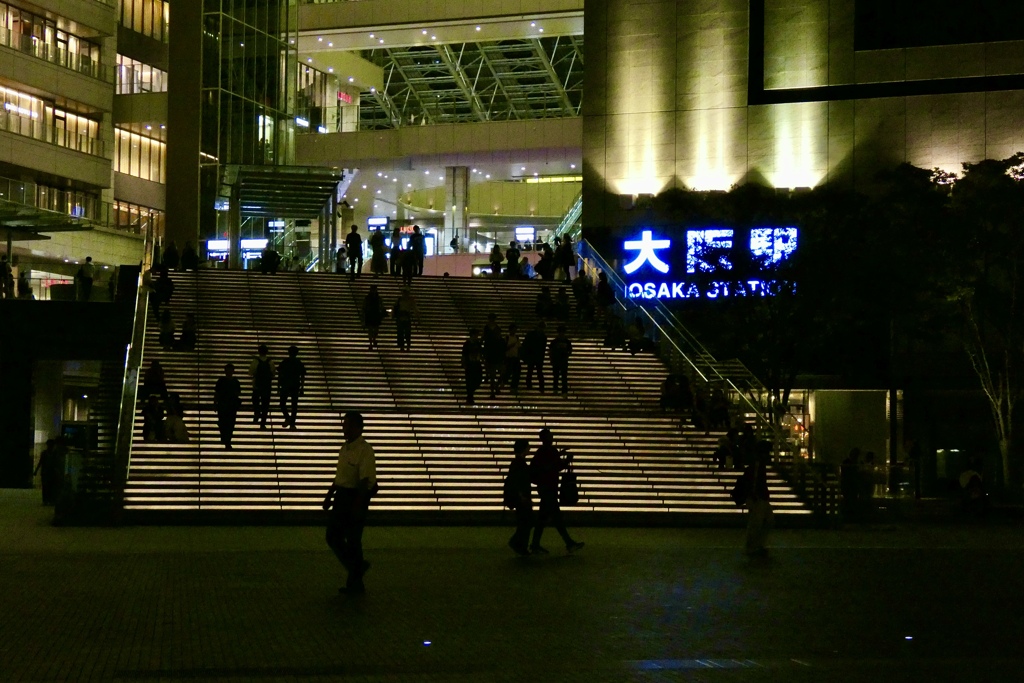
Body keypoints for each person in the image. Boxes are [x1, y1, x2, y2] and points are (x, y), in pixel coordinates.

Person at [323, 411, 377, 595]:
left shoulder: (365, 450)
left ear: (357, 427)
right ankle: (357, 570)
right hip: (342, 496)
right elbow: (340, 477)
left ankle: (355, 581)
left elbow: (365, 480)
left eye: (347, 425)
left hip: (355, 497)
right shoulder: (344, 449)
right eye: (343, 424)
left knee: (352, 540)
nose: (343, 428)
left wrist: (357, 504)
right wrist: (330, 495)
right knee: (335, 536)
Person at [529, 428, 584, 554]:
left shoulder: (541, 451)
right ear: (546, 438)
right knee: (556, 518)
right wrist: (567, 460)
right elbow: (556, 466)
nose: (552, 438)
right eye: (550, 436)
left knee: (543, 518)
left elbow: (548, 465)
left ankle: (535, 544)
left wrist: (558, 456)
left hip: (544, 488)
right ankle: (569, 543)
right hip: (549, 488)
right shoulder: (550, 451)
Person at [743, 441, 773, 557]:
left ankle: (755, 545)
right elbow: (755, 480)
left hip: (759, 496)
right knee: (759, 522)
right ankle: (753, 546)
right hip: (758, 496)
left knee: (762, 521)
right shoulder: (758, 464)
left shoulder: (758, 463)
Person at [505, 438, 533, 556]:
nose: (529, 448)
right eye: (527, 446)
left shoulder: (517, 462)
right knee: (526, 521)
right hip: (522, 497)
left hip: (520, 497)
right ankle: (519, 544)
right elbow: (518, 481)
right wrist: (521, 495)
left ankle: (519, 544)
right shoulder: (519, 463)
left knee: (524, 521)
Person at [277, 345, 306, 430]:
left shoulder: (285, 361)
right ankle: (292, 423)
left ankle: (288, 418)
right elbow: (302, 376)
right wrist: (302, 387)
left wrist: (278, 386)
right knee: (294, 405)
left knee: (282, 404)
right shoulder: (299, 362)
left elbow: (280, 374)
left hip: (285, 385)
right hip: (295, 385)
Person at [214, 363, 242, 449]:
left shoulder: (226, 381)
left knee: (229, 424)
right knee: (225, 423)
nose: (229, 372)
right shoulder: (230, 381)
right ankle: (226, 439)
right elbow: (217, 393)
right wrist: (215, 403)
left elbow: (217, 393)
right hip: (225, 405)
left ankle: (227, 440)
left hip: (229, 405)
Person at [249, 344, 275, 428]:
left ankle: (257, 413)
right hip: (267, 386)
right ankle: (263, 423)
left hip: (257, 385)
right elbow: (273, 373)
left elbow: (250, 372)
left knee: (255, 400)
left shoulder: (255, 361)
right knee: (265, 405)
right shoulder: (270, 361)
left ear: (259, 351)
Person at [483, 313, 505, 398]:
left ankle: (495, 388)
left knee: (498, 374)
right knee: (493, 375)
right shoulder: (488, 328)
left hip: (495, 355)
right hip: (491, 354)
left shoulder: (494, 330)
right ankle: (494, 389)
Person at [522, 320, 547, 392]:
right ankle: (536, 385)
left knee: (534, 371)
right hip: (533, 355)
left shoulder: (540, 336)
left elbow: (543, 348)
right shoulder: (541, 336)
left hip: (535, 356)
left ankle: (538, 386)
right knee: (533, 371)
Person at [461, 328, 484, 405]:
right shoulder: (467, 344)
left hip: (476, 363)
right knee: (470, 381)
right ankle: (470, 397)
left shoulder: (477, 343)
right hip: (470, 364)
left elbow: (481, 352)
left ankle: (470, 395)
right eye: (476, 335)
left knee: (478, 380)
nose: (477, 336)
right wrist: (464, 364)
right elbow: (464, 354)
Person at [34, 439, 60, 505]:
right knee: (46, 487)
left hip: (49, 472)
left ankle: (48, 500)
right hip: (47, 472)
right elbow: (41, 462)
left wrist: (36, 471)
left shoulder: (50, 454)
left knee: (49, 487)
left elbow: (41, 463)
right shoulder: (46, 454)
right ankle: (47, 500)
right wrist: (36, 470)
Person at [548, 324, 572, 396]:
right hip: (558, 360)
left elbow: (570, 350)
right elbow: (550, 350)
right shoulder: (558, 341)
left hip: (561, 360)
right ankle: (559, 389)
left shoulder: (558, 341)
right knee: (557, 376)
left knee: (562, 376)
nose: (561, 334)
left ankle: (560, 389)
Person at [501, 322, 522, 394]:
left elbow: (519, 347)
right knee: (508, 371)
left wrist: (518, 356)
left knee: (516, 373)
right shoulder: (507, 337)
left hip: (515, 357)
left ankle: (513, 387)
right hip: (508, 357)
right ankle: (504, 381)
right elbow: (504, 348)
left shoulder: (517, 337)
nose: (514, 331)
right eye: (513, 329)